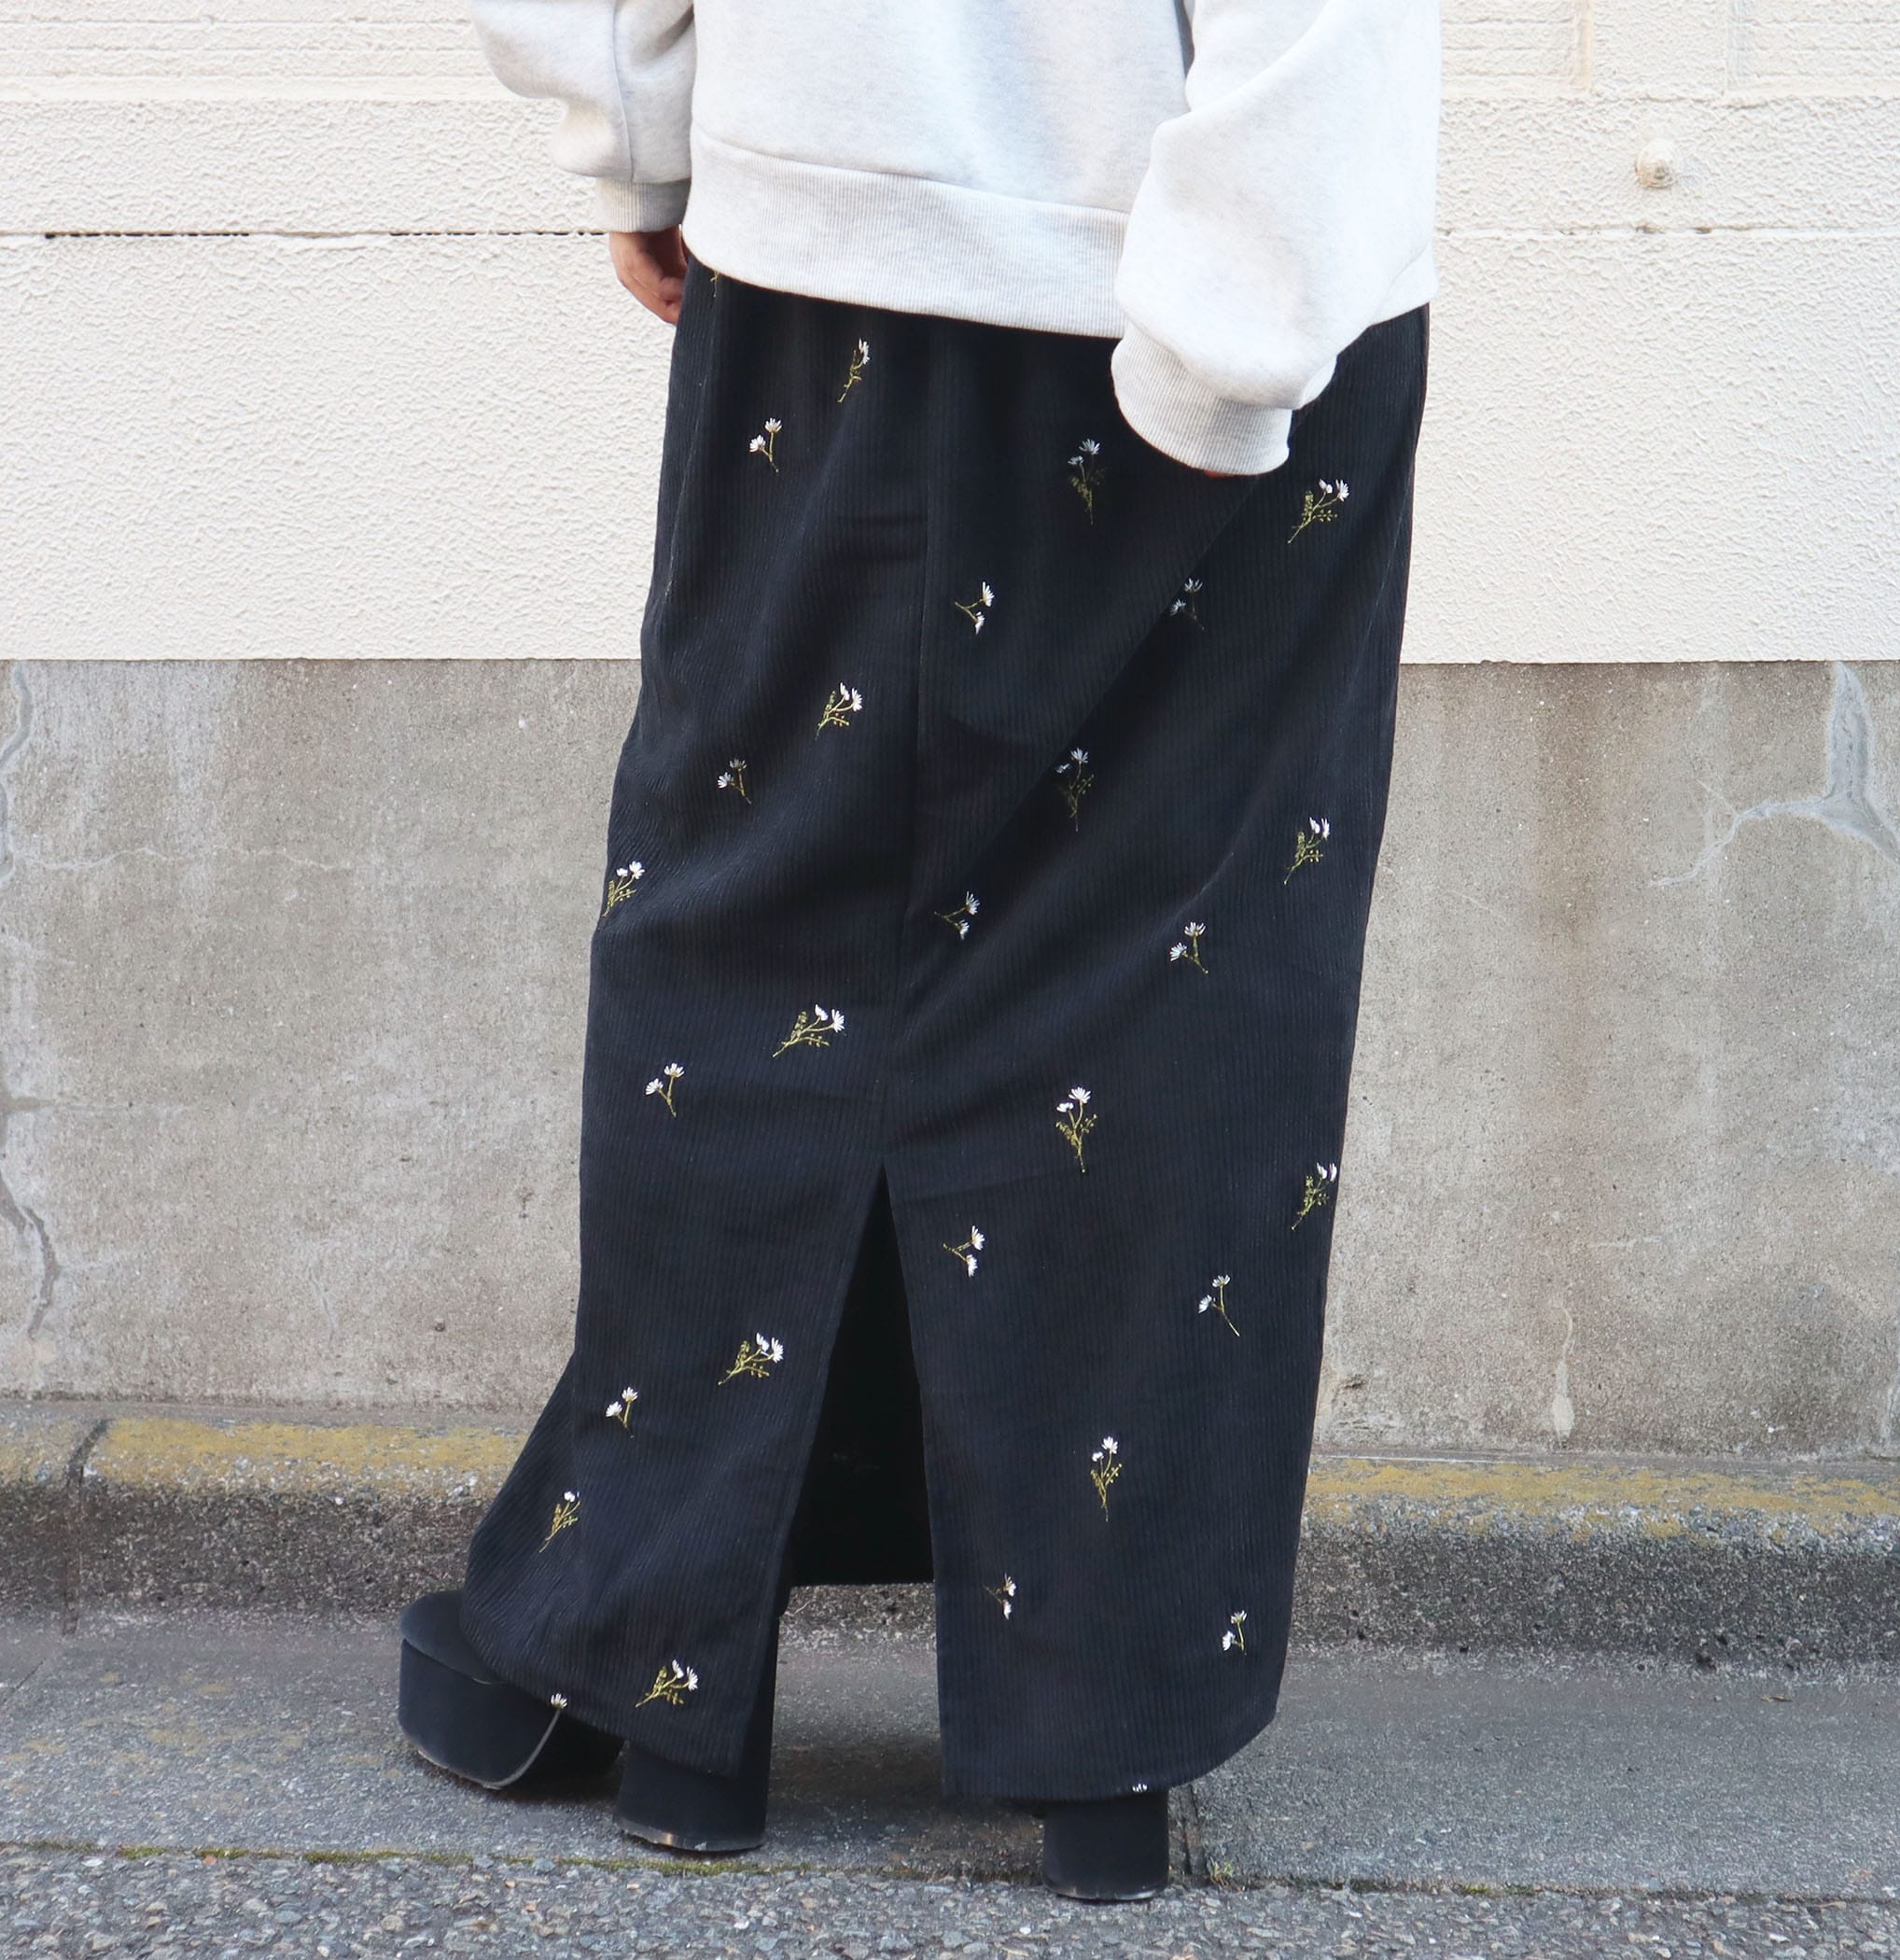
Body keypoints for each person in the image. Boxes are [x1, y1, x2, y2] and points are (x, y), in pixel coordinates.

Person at [395, 0, 1440, 1904]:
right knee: (1171, 971)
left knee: (764, 919)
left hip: (828, 246)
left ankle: (662, 1673)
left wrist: (638, 121)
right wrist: (1238, 323)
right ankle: (1101, 1727)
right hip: (1199, 241)